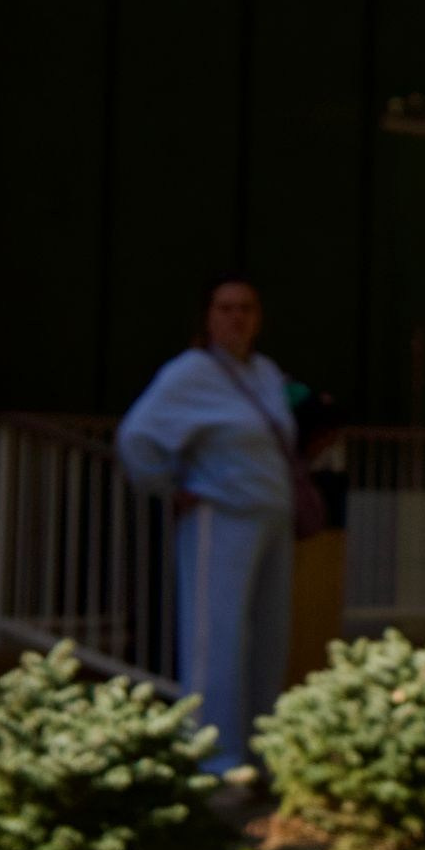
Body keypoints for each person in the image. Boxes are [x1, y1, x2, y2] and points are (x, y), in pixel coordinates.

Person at [117, 276, 320, 777]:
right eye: (226, 308)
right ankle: (211, 755)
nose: (237, 318)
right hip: (222, 516)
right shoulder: (189, 374)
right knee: (217, 636)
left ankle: (256, 747)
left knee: (268, 638)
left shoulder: (265, 372)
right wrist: (170, 486)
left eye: (246, 309)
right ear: (208, 317)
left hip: (269, 517)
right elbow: (137, 436)